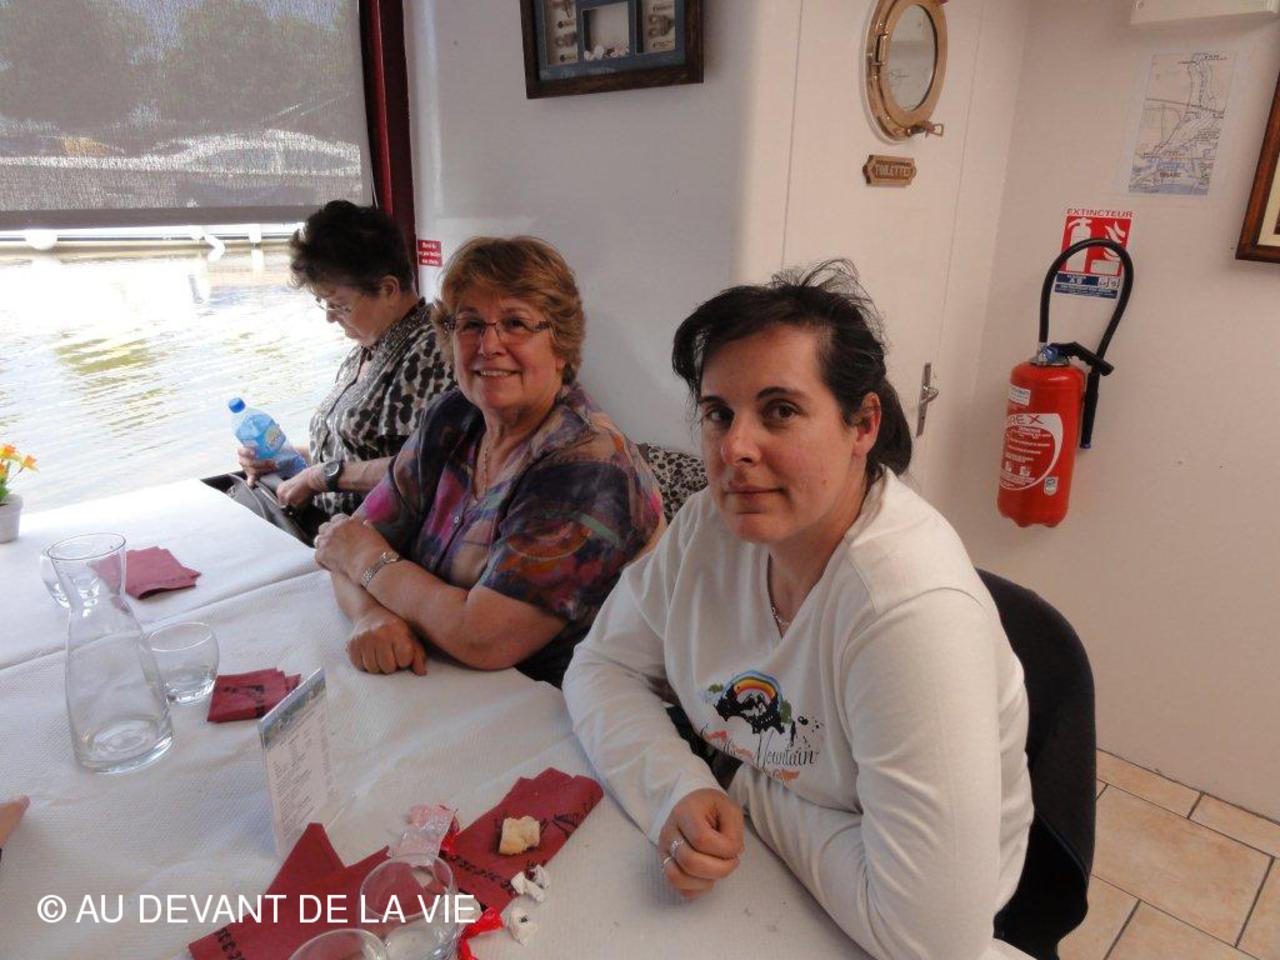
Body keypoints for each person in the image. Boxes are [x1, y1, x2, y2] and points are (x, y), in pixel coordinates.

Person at [563, 262, 1034, 960]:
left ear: (862, 424)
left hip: (885, 923)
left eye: (780, 410)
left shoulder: (910, 612)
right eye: (718, 413)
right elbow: (601, 667)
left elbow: (933, 940)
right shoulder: (706, 528)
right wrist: (676, 789)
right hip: (784, 870)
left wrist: (738, 782)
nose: (734, 448)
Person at [313, 236, 664, 687]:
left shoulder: (589, 464)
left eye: (515, 323)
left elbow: (483, 638)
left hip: (558, 704)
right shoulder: (453, 416)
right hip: (443, 682)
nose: (489, 344)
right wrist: (370, 615)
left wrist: (369, 562)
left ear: (560, 346)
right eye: (471, 323)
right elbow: (347, 542)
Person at [236, 200, 453, 528]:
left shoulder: (431, 352)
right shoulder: (367, 348)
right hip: (328, 523)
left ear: (388, 289)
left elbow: (423, 468)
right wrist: (286, 459)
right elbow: (356, 451)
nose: (329, 317)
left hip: (369, 536)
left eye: (339, 305)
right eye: (323, 303)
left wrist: (320, 477)